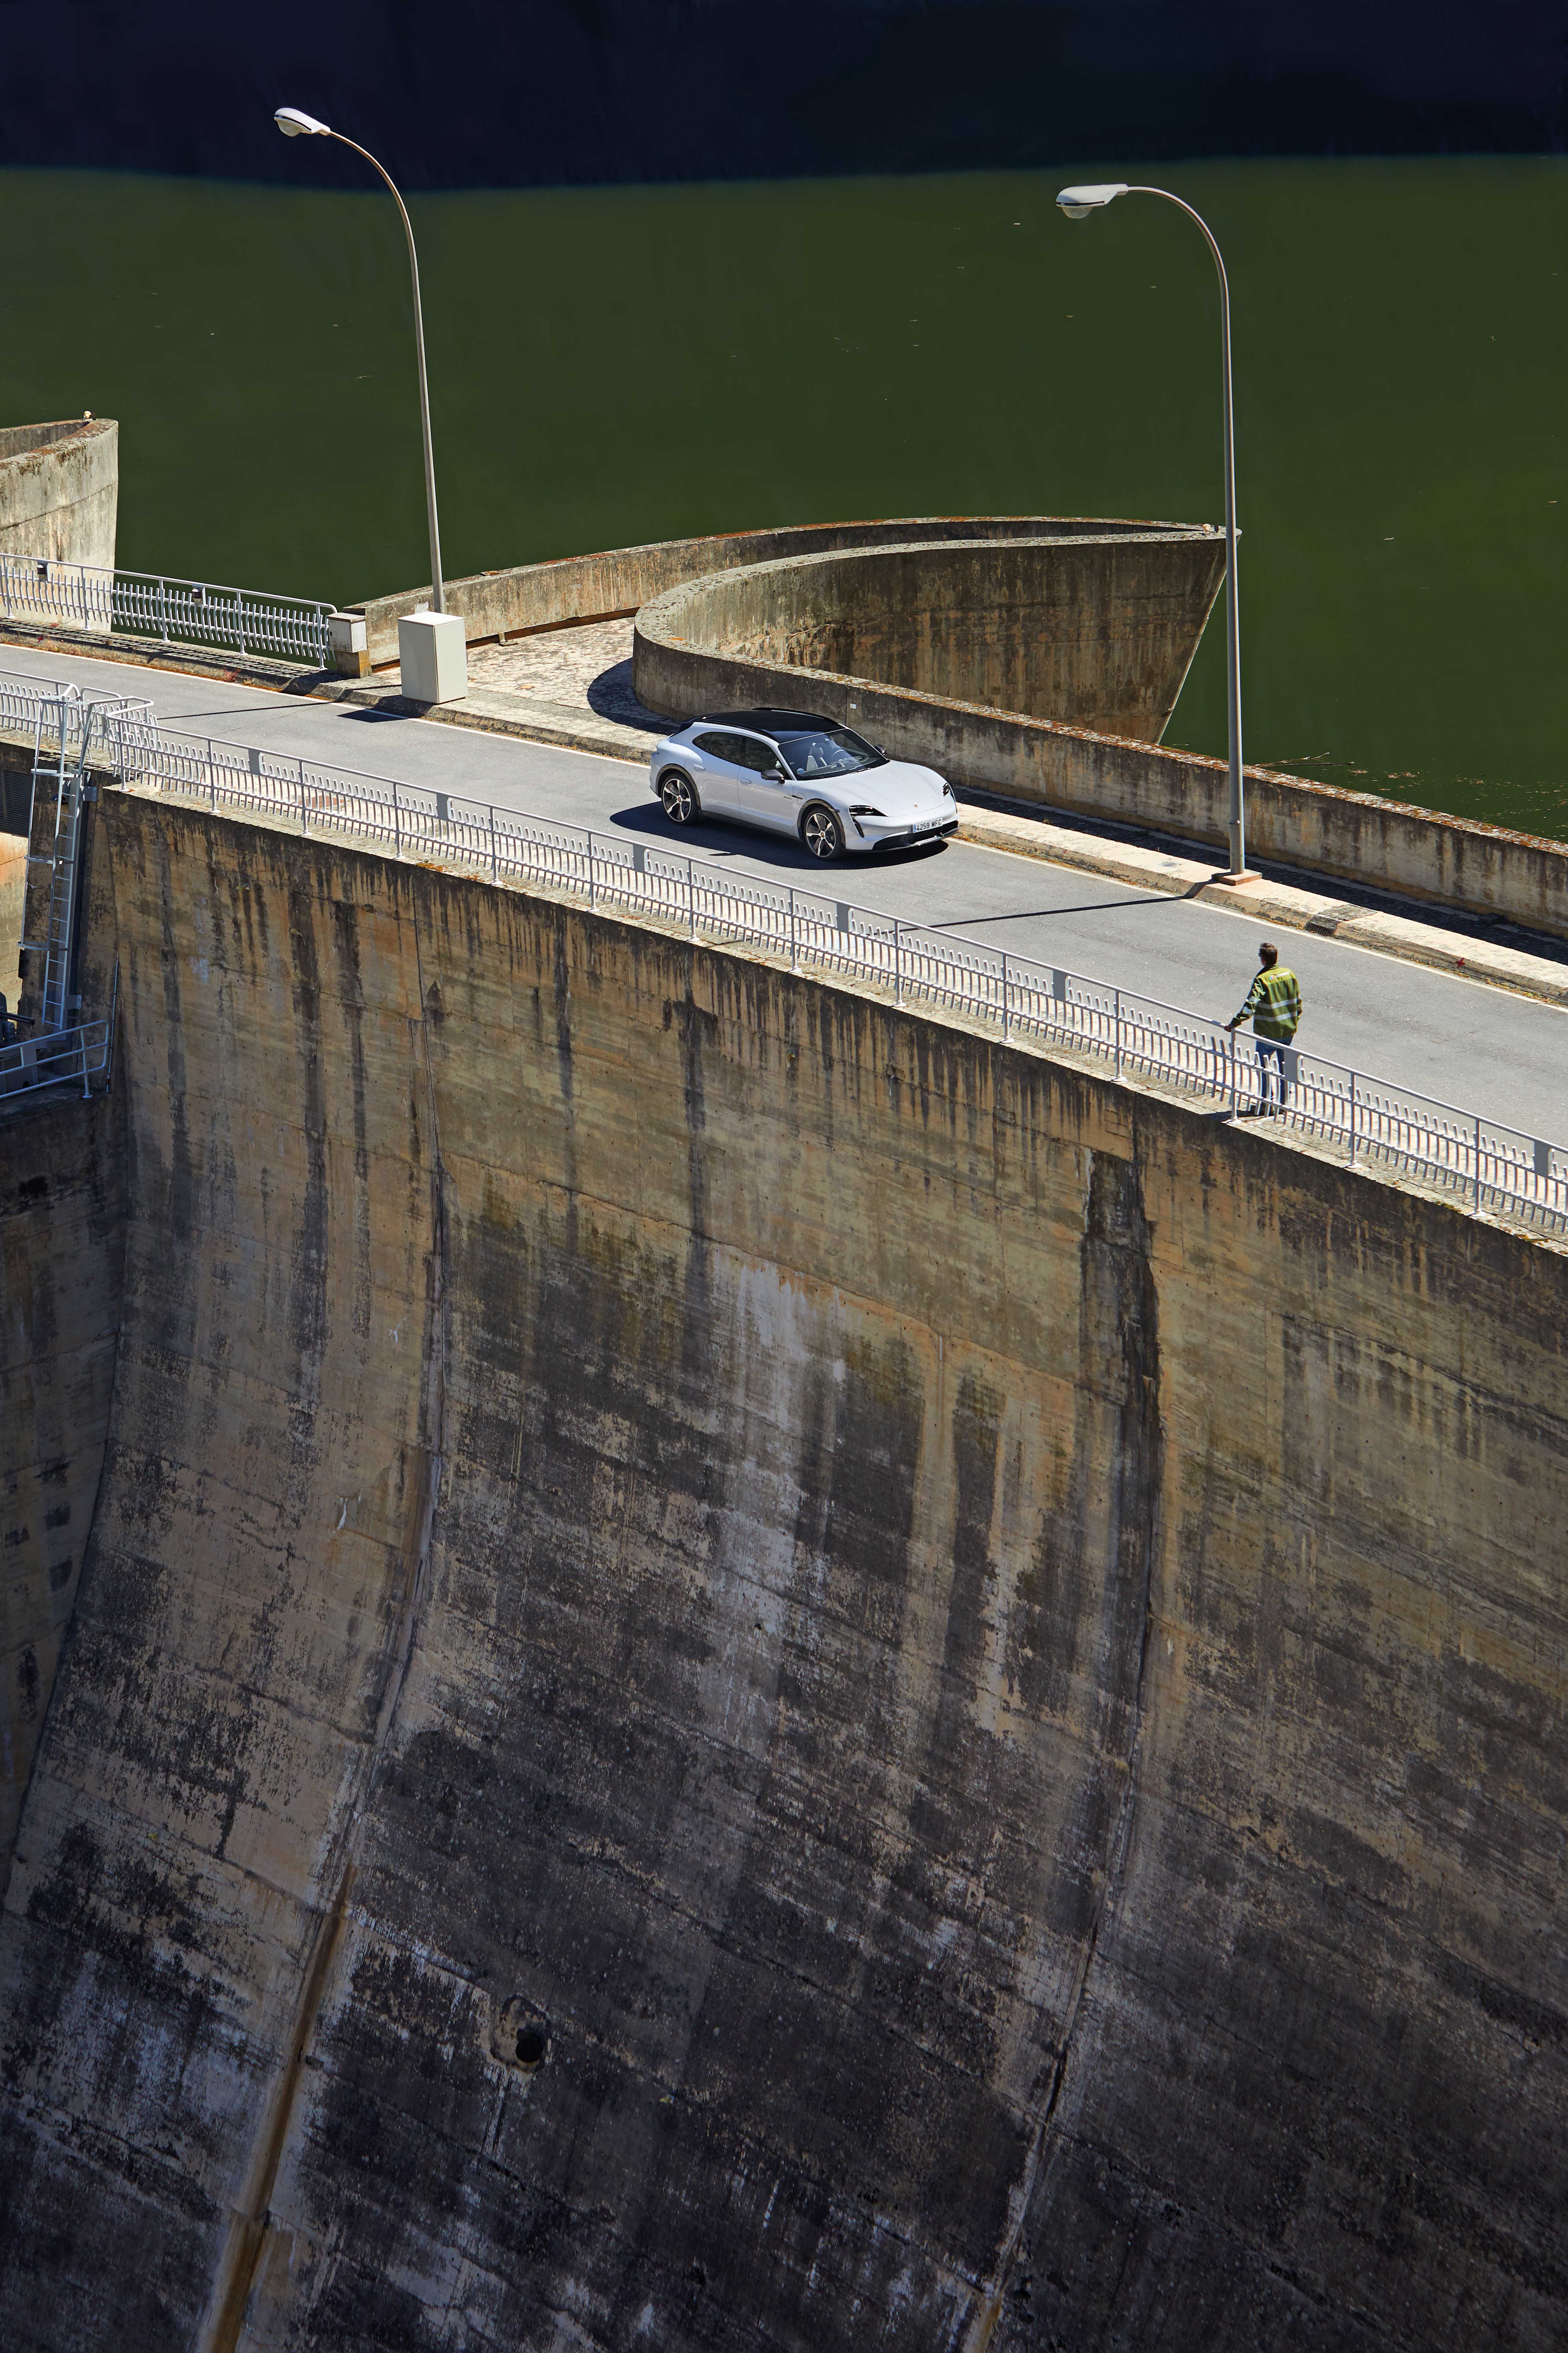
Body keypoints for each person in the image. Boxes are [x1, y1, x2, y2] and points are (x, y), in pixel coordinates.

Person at [1226, 941, 1302, 1115]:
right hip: (1288, 1030)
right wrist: (1294, 1022)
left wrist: (1234, 1023)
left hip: (1268, 1032)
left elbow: (1251, 1005)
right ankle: (1284, 1102)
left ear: (1263, 959)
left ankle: (1266, 1102)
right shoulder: (1289, 974)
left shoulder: (1262, 979)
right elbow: (1298, 1003)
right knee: (1286, 1067)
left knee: (1263, 1067)